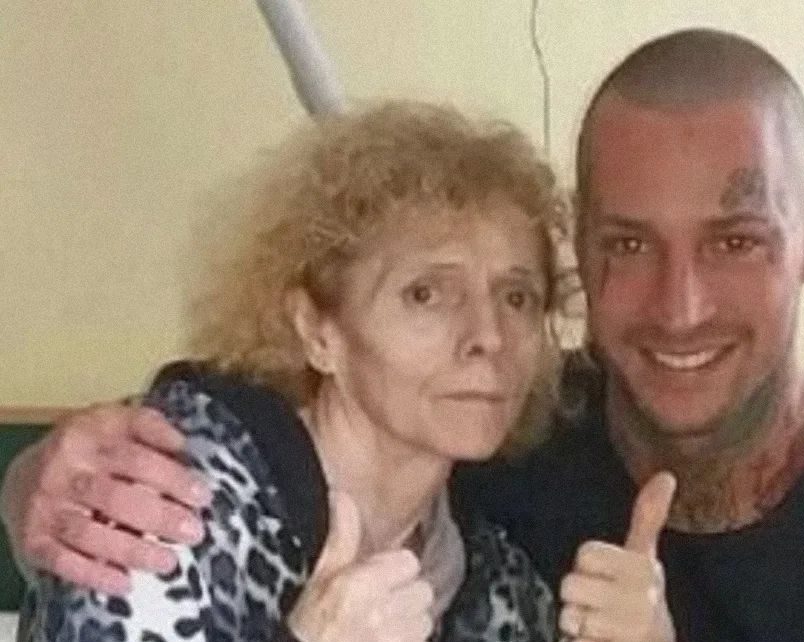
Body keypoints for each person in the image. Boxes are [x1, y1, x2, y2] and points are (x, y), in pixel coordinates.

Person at [2, 29, 804, 641]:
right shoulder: (500, 445)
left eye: (733, 241)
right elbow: (237, 432)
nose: (679, 306)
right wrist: (38, 477)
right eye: (628, 244)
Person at [9, 101, 589, 642]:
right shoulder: (165, 501)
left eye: (517, 297)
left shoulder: (501, 579)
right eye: (426, 294)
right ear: (316, 330)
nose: (489, 336)